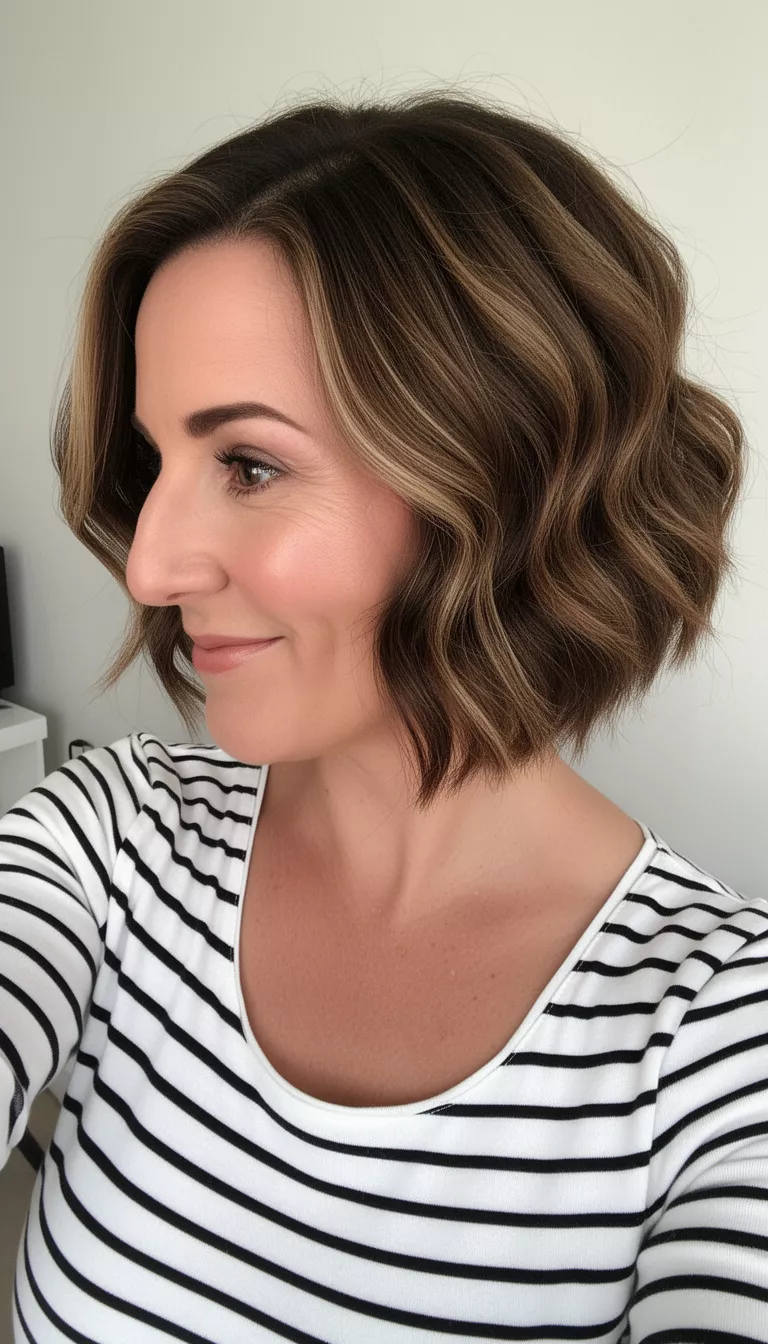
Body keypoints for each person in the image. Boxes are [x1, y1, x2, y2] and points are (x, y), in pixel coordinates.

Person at [2, 87, 766, 1343]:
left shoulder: (720, 1036)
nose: (148, 567)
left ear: (506, 477)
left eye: (247, 464)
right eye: (158, 466)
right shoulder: (112, 834)